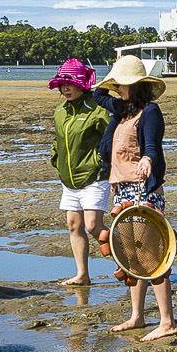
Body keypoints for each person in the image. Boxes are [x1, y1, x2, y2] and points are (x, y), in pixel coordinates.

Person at [101, 54, 177, 340]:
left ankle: (167, 321)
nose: (117, 88)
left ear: (135, 85)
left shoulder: (150, 111)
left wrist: (147, 159)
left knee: (152, 255)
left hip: (143, 190)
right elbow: (99, 94)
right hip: (122, 189)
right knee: (130, 256)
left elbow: (153, 145)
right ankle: (137, 316)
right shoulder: (122, 113)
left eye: (121, 83)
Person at [47, 59, 122, 286]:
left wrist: (108, 167)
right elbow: (58, 139)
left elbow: (113, 139)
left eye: (70, 83)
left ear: (82, 84)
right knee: (73, 225)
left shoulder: (98, 110)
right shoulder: (60, 112)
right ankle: (82, 274)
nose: (65, 88)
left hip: (94, 177)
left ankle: (131, 262)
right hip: (69, 179)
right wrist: (55, 158)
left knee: (92, 226)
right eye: (62, 84)